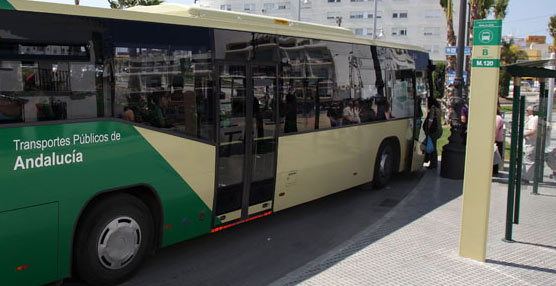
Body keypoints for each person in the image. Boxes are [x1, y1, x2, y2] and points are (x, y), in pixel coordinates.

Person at [424, 98, 443, 169]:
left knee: (432, 147)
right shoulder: (438, 109)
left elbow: (430, 120)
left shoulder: (433, 108)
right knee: (434, 146)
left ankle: (433, 164)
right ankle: (433, 163)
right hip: (439, 130)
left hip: (433, 130)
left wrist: (427, 128)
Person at [522, 105, 538, 183]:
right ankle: (524, 176)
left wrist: (522, 134)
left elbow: (532, 131)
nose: (526, 112)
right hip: (529, 143)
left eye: (527, 110)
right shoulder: (532, 118)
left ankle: (526, 178)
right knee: (526, 159)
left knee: (528, 160)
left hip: (531, 143)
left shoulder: (533, 119)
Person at [493, 107, 505, 174]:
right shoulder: (498, 117)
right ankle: (495, 170)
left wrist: (493, 139)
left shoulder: (497, 118)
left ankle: (494, 171)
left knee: (494, 157)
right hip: (498, 139)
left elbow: (495, 129)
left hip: (496, 140)